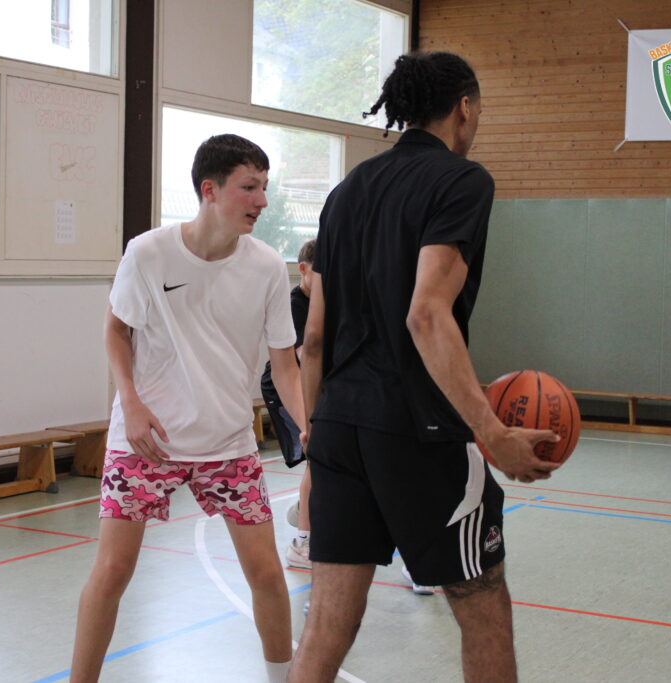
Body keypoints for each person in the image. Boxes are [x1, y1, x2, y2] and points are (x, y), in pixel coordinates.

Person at [288, 52, 560, 683]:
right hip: (419, 428)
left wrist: (318, 428)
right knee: (483, 607)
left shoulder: (345, 191)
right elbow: (426, 314)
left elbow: (314, 338)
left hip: (338, 425)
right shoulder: (462, 181)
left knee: (327, 623)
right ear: (463, 107)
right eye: (479, 110)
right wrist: (492, 433)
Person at [71, 134, 306, 683]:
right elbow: (116, 329)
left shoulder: (268, 267)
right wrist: (130, 402)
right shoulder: (148, 252)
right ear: (210, 190)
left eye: (264, 188)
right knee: (112, 571)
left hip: (228, 444)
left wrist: (309, 426)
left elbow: (285, 365)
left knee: (266, 574)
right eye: (250, 187)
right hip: (146, 441)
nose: (262, 201)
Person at [259, 239, 316, 570]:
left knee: (328, 460)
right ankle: (302, 542)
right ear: (303, 269)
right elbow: (304, 355)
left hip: (317, 385)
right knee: (317, 459)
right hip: (286, 388)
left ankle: (304, 511)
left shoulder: (331, 301)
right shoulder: (294, 304)